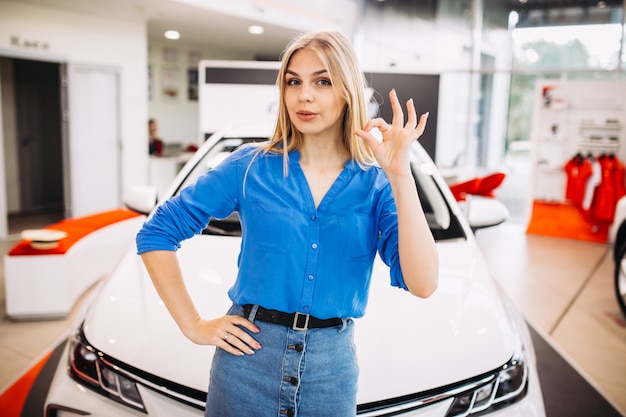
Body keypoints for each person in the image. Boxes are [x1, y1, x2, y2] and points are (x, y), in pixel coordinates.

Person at [136, 30, 439, 417]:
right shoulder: (249, 166)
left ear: (348, 91)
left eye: (323, 81)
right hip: (246, 363)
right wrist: (193, 325)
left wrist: (399, 174)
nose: (304, 95)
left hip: (331, 373)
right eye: (293, 81)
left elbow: (424, 283)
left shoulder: (376, 182)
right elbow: (157, 232)